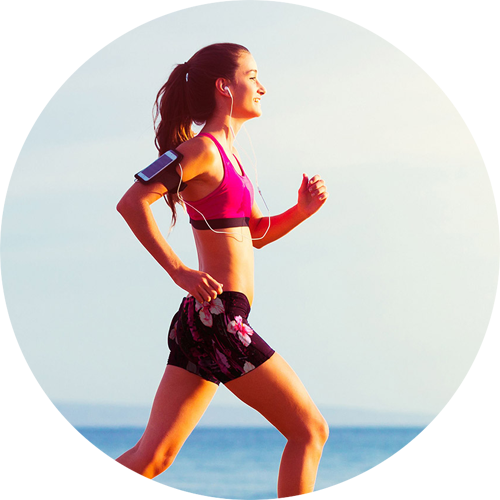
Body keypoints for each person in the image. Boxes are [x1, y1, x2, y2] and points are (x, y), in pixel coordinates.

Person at [115, 43, 329, 500]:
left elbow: (254, 233)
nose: (262, 86)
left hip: (207, 320)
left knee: (147, 461)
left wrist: (301, 211)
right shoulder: (203, 152)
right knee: (310, 431)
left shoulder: (230, 157)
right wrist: (179, 270)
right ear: (224, 87)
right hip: (219, 320)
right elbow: (132, 203)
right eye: (253, 76)